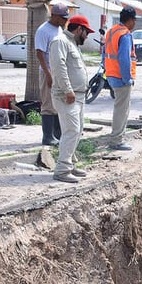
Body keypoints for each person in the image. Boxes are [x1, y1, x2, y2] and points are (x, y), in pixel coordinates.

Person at [48, 14, 92, 183]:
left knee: (77, 130)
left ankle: (70, 164)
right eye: (86, 32)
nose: (87, 37)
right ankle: (62, 170)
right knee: (71, 130)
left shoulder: (72, 43)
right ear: (79, 29)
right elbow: (59, 68)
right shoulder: (60, 42)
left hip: (76, 96)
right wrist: (68, 90)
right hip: (67, 96)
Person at [35, 2, 70, 146]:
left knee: (58, 104)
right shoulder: (44, 30)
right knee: (48, 104)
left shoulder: (60, 30)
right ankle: (47, 136)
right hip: (47, 72)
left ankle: (57, 134)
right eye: (62, 18)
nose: (64, 21)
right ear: (54, 15)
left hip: (58, 72)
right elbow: (40, 53)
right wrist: (48, 74)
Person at [104, 7, 137, 152]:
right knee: (121, 110)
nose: (134, 23)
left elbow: (104, 54)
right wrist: (127, 78)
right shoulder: (125, 35)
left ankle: (117, 137)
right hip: (120, 76)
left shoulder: (112, 31)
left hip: (111, 74)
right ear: (130, 20)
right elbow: (124, 59)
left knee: (119, 107)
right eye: (134, 20)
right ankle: (117, 140)